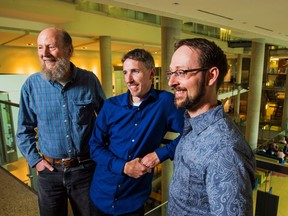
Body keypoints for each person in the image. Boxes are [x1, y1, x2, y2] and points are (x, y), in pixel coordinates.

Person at [16, 27, 106, 216]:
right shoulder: (31, 86)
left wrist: (104, 157)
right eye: (40, 48)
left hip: (86, 171)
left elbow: (106, 123)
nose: (44, 54)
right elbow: (24, 130)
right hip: (49, 173)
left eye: (51, 47)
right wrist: (36, 160)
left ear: (69, 50)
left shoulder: (89, 80)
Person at [89, 48, 184, 215]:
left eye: (135, 71)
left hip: (132, 202)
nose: (128, 79)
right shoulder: (111, 106)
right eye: (125, 72)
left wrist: (159, 154)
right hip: (100, 195)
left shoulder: (166, 103)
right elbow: (95, 147)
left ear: (151, 73)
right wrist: (124, 167)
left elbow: (191, 134)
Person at [167, 38, 256, 216]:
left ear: (211, 76)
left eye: (181, 72)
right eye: (171, 73)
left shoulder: (225, 152)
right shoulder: (192, 126)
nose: (171, 82)